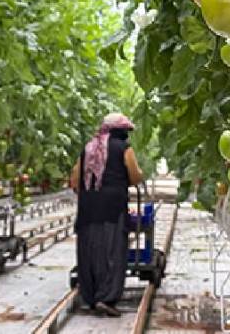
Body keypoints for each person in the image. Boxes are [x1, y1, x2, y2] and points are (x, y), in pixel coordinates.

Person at [70, 112, 144, 317]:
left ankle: (91, 296)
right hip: (113, 206)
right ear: (120, 131)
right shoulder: (123, 148)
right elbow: (135, 175)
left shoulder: (89, 148)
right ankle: (107, 297)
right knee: (113, 250)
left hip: (88, 208)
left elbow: (75, 179)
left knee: (90, 249)